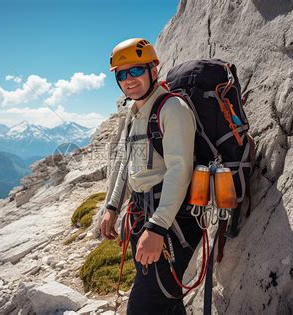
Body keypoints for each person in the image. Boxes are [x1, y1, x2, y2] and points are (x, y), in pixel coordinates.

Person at [100, 38, 203, 314]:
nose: (128, 79)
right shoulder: (135, 113)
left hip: (171, 221)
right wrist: (112, 206)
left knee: (145, 304)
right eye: (122, 74)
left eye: (135, 71)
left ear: (153, 71)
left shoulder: (172, 109)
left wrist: (157, 227)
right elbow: (126, 163)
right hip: (143, 216)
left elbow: (180, 170)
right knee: (167, 297)